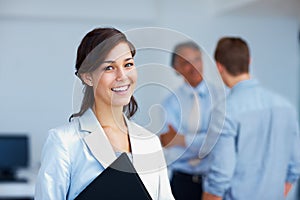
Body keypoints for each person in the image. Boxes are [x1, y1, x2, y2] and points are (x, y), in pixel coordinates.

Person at [35, 27, 174, 200]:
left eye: (128, 64)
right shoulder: (63, 142)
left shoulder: (150, 142)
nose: (122, 76)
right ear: (88, 77)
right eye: (109, 68)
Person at [202, 37, 300, 200]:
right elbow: (295, 166)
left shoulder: (225, 111)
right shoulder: (286, 107)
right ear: (249, 61)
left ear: (219, 66)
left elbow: (221, 175)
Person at [159, 41, 213, 200]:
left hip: (213, 181)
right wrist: (203, 140)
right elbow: (170, 144)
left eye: (197, 59)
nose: (194, 67)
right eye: (185, 63)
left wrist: (182, 139)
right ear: (176, 68)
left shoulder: (221, 98)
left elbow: (217, 143)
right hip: (181, 181)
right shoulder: (170, 103)